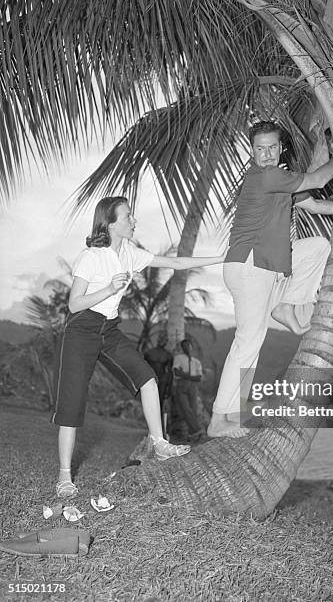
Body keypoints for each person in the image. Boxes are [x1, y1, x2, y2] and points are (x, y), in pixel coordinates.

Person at [51, 196, 224, 498]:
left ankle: (160, 443)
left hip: (110, 328)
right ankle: (65, 476)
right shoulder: (91, 256)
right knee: (72, 402)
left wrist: (223, 257)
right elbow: (74, 303)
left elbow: (176, 263)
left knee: (147, 378)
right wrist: (108, 289)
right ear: (111, 222)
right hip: (81, 329)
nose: (133, 221)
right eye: (128, 216)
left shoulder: (130, 253)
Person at [207, 121, 333, 438]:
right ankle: (219, 419)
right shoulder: (267, 176)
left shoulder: (282, 182)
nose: (264, 154)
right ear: (253, 151)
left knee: (317, 247)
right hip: (250, 264)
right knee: (248, 342)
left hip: (263, 266)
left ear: (281, 149)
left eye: (270, 147)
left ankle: (287, 307)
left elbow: (318, 205)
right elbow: (320, 178)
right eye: (258, 148)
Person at [173, 339, 205, 441]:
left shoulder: (196, 362)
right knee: (185, 409)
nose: (187, 347)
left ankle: (193, 435)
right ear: (182, 348)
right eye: (185, 346)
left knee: (193, 410)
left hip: (193, 386)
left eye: (188, 345)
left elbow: (199, 378)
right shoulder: (178, 358)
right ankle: (198, 430)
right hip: (181, 385)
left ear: (191, 347)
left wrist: (185, 375)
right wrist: (191, 376)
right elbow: (177, 373)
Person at [143, 335, 174, 440]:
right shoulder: (148, 353)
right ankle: (152, 431)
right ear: (158, 340)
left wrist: (168, 389)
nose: (162, 341)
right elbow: (143, 367)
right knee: (150, 404)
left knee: (159, 406)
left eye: (164, 340)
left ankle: (159, 433)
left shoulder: (168, 355)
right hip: (150, 380)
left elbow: (170, 373)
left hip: (162, 382)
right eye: (161, 339)